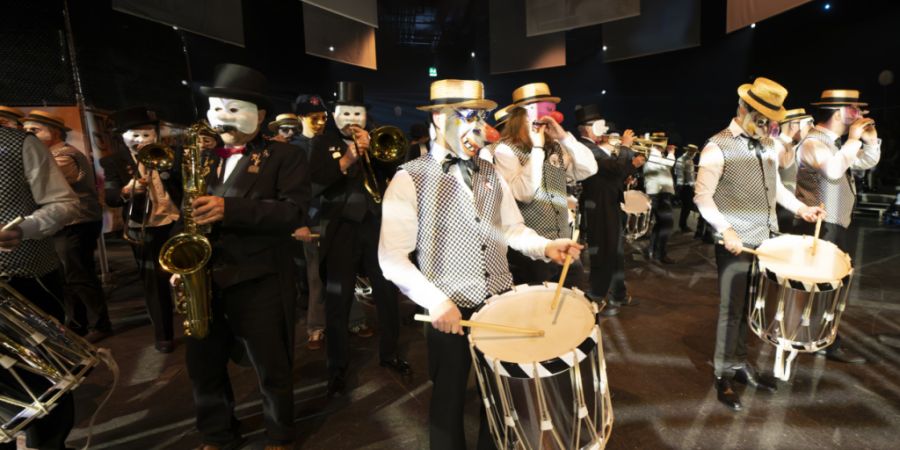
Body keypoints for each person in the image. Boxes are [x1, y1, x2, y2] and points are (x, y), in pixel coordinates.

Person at [379, 78, 583, 450]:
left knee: (501, 400)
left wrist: (547, 246)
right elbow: (391, 256)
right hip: (449, 310)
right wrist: (435, 300)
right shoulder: (410, 178)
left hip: (499, 306)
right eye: (467, 116)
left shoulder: (490, 172)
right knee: (449, 400)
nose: (478, 128)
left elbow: (513, 228)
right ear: (439, 118)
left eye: (480, 117)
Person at [180, 63, 308, 449]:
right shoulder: (201, 157)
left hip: (260, 275)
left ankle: (280, 434)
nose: (223, 119)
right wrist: (179, 257)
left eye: (234, 110)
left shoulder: (285, 156)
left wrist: (229, 209)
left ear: (262, 116)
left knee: (271, 364)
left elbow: (294, 212)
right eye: (218, 109)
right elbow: (185, 207)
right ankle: (217, 433)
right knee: (203, 366)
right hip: (204, 276)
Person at [695, 77, 825, 411]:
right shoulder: (717, 146)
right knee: (730, 310)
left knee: (749, 308)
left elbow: (777, 187)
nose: (767, 126)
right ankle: (723, 373)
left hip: (765, 242)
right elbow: (703, 197)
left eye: (771, 121)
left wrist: (802, 208)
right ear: (743, 109)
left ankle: (740, 363)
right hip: (734, 243)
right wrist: (726, 229)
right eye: (762, 119)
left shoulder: (766, 144)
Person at [309, 81, 410, 397]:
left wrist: (375, 154)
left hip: (375, 228)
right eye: (345, 112)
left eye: (357, 112)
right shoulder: (319, 144)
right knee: (338, 301)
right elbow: (316, 184)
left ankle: (390, 353)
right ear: (334, 114)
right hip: (341, 232)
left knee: (385, 293)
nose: (351, 118)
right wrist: (348, 159)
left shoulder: (375, 137)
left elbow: (394, 165)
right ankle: (337, 368)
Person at [0, 123, 79, 450]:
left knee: (49, 377)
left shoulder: (18, 144)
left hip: (25, 279)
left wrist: (26, 228)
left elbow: (65, 204)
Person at [795, 89, 881, 365]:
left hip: (836, 222)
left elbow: (866, 162)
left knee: (832, 283)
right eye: (854, 110)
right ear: (838, 112)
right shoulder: (813, 142)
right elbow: (832, 170)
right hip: (820, 223)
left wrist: (869, 141)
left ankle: (821, 337)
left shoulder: (837, 144)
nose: (858, 116)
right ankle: (814, 338)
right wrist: (854, 140)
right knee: (821, 284)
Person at [490, 82, 597, 285]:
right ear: (521, 116)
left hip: (563, 244)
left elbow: (588, 169)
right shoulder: (505, 150)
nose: (546, 116)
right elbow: (523, 193)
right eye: (537, 109)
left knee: (575, 300)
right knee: (539, 309)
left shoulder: (556, 146)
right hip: (532, 252)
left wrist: (565, 138)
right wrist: (537, 148)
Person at [20, 110, 110, 342]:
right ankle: (79, 323)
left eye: (35, 130)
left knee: (79, 275)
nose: (28, 134)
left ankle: (98, 323)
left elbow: (41, 186)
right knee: (70, 276)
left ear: (55, 132)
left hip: (76, 223)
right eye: (26, 130)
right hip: (71, 224)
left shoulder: (63, 156)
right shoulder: (50, 154)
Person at [101, 106, 182, 353]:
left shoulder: (174, 153)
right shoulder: (114, 161)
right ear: (122, 136)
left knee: (187, 272)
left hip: (175, 221)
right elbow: (111, 197)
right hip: (144, 225)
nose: (142, 140)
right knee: (153, 283)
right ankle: (163, 335)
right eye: (135, 135)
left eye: (148, 134)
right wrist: (126, 192)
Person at [575, 103, 644, 316]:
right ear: (588, 128)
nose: (603, 130)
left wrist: (632, 166)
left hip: (609, 204)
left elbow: (614, 174)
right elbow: (614, 168)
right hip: (598, 207)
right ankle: (596, 296)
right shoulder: (585, 148)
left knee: (615, 252)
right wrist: (624, 147)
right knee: (603, 252)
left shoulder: (593, 148)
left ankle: (618, 293)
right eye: (598, 124)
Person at [643, 135, 676, 263]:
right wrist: (671, 153)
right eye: (664, 142)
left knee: (660, 224)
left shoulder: (655, 155)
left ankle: (653, 251)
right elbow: (668, 164)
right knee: (667, 225)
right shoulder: (653, 155)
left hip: (659, 193)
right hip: (659, 193)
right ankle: (659, 254)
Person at [676, 144, 699, 233]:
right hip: (686, 187)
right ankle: (683, 225)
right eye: (694, 152)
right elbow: (686, 176)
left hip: (686, 186)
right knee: (687, 207)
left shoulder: (687, 160)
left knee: (687, 207)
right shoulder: (685, 160)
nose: (695, 154)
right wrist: (694, 186)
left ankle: (683, 225)